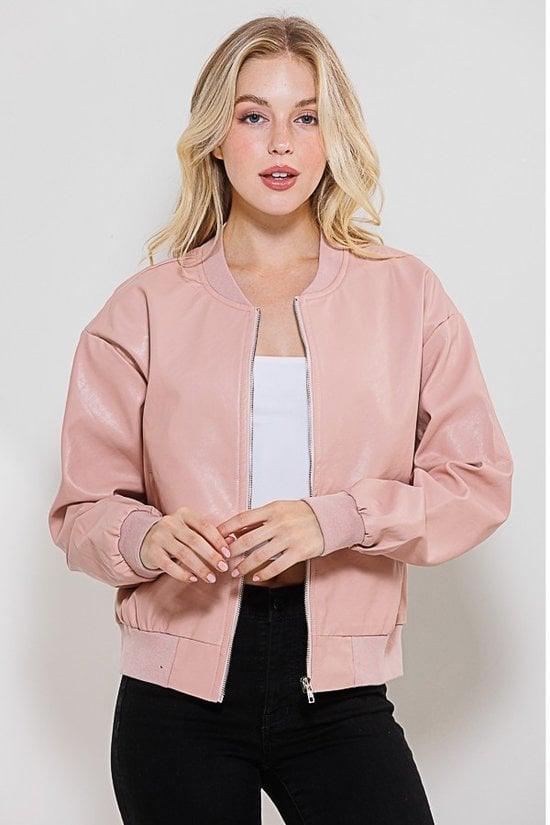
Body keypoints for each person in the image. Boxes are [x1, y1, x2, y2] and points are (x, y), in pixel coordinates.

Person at [48, 13, 514, 825]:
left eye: (306, 117)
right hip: (175, 698)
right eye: (253, 115)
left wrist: (335, 518)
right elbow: (81, 508)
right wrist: (146, 536)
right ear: (215, 136)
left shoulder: (405, 294)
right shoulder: (144, 308)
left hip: (337, 691)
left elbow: (477, 482)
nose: (280, 143)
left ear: (334, 137)